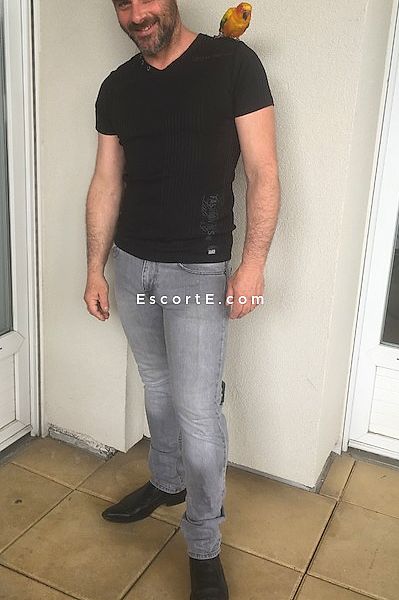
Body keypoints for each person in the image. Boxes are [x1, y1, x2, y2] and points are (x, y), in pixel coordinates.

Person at [83, 1, 280, 598]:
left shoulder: (232, 64)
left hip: (198, 268)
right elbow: (106, 181)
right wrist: (95, 268)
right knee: (158, 386)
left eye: (145, 0)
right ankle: (166, 483)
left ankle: (203, 545)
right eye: (123, 3)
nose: (136, 13)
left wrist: (253, 264)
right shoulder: (117, 86)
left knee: (197, 410)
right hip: (132, 265)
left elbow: (263, 170)